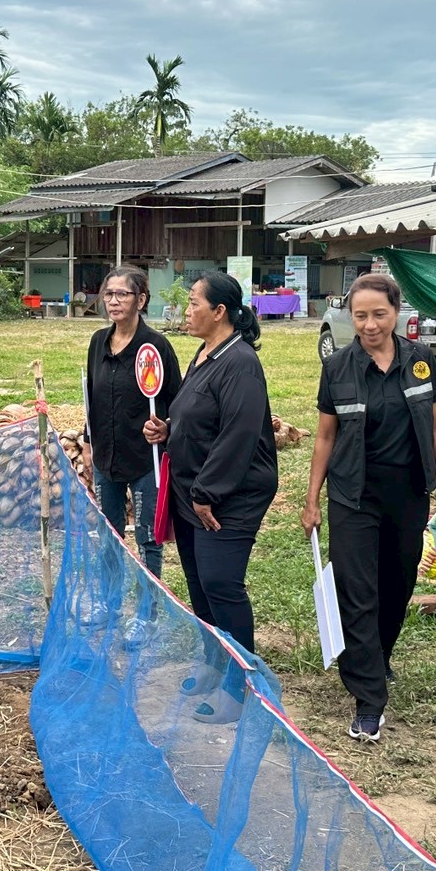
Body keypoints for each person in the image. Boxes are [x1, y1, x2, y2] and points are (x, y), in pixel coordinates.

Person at [301, 273, 436, 743]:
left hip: (408, 493)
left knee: (396, 586)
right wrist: (312, 499)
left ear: (397, 312)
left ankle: (377, 657)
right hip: (353, 495)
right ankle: (369, 698)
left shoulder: (420, 360)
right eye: (361, 316)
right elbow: (325, 437)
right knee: (357, 591)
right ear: (350, 317)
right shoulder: (337, 366)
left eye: (379, 314)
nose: (370, 324)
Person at [143, 272, 277, 724]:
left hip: (226, 495)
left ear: (219, 311)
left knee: (222, 584)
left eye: (194, 302)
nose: (187, 310)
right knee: (200, 584)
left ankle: (242, 689)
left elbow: (238, 435)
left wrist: (207, 493)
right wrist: (168, 429)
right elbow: (199, 415)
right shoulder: (204, 354)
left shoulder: (239, 362)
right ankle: (214, 661)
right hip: (192, 491)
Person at [85, 265, 181, 644]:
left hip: (145, 459)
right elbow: (91, 395)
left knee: (147, 538)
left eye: (123, 294)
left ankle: (147, 614)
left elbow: (178, 401)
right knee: (108, 534)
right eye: (109, 293)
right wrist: (90, 440)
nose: (113, 300)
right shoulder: (97, 342)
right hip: (106, 458)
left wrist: (167, 427)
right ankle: (108, 603)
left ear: (141, 300)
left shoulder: (154, 347)